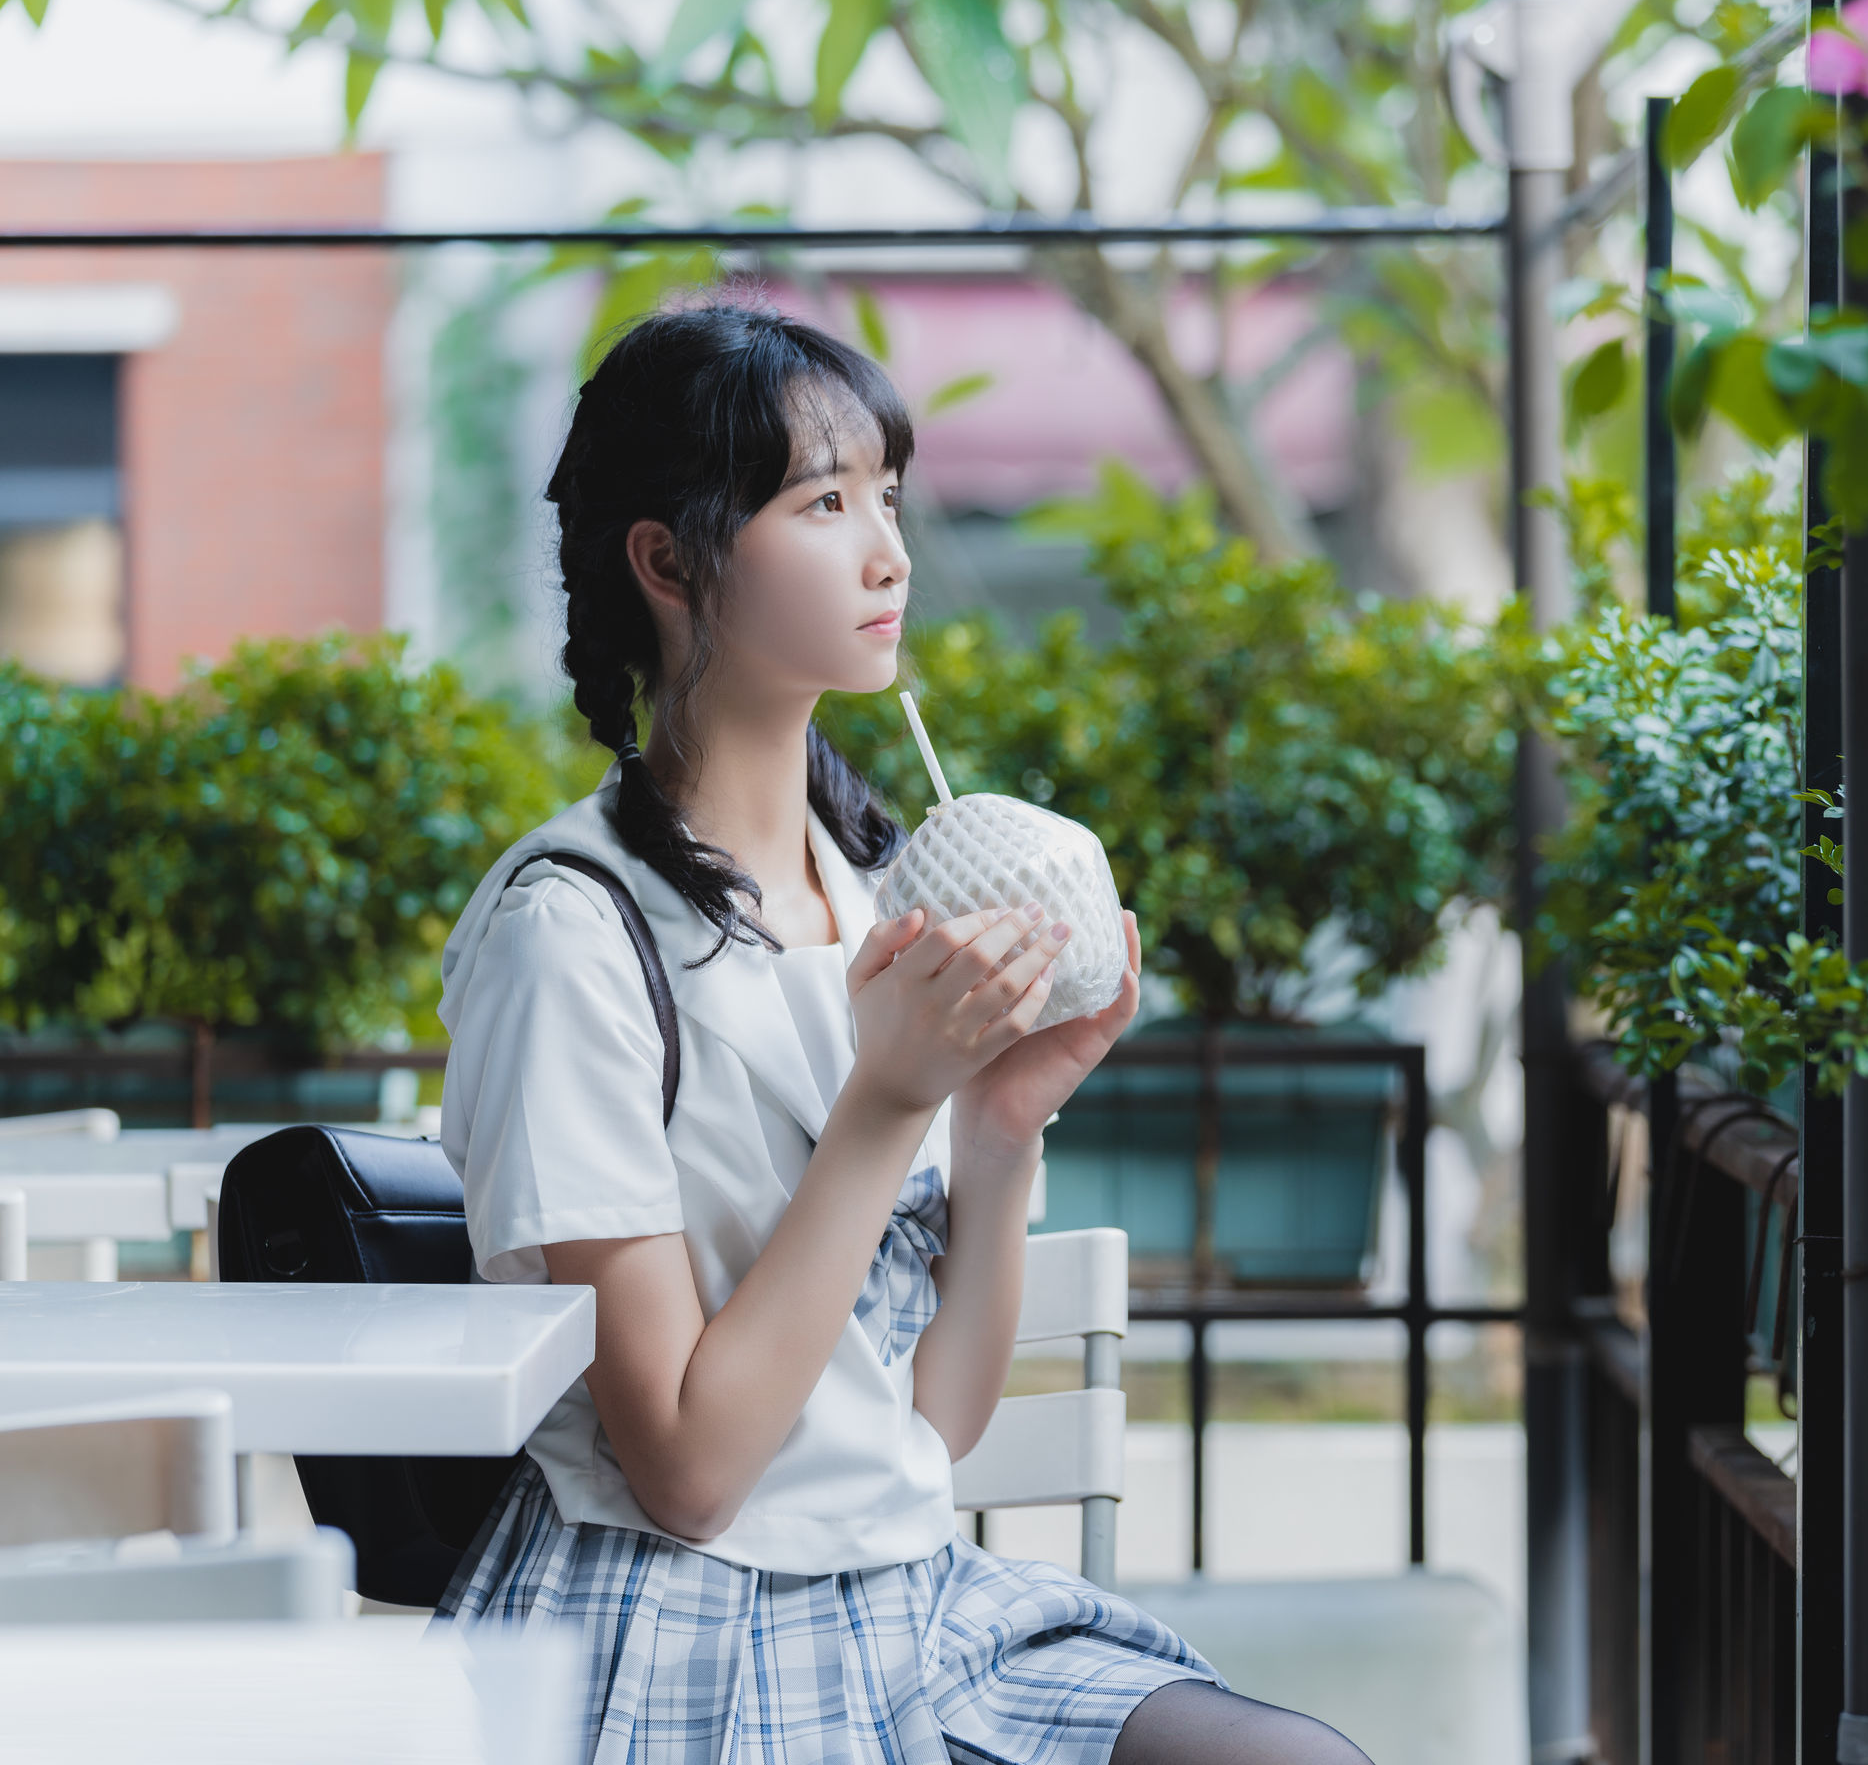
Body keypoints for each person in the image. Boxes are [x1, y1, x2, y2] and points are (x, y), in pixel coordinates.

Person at [430, 306, 1370, 1765]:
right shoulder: (568, 936)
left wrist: (999, 1129)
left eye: (887, 498)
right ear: (667, 562)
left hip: (913, 1603)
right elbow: (687, 1473)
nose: (888, 554)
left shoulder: (878, 888)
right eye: (822, 504)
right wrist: (883, 1107)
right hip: (677, 1624)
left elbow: (931, 1423)